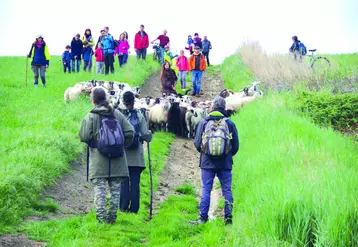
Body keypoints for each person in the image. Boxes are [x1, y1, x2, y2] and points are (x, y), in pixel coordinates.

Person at [79, 87, 135, 224]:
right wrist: (122, 146)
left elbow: (84, 136)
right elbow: (130, 132)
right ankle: (112, 218)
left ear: (93, 100)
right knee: (116, 190)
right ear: (106, 98)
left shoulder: (91, 116)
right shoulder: (117, 114)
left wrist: (96, 143)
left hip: (98, 159)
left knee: (100, 189)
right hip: (118, 158)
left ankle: (101, 219)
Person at [190, 96, 239, 225]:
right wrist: (226, 154)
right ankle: (228, 219)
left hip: (207, 163)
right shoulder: (229, 123)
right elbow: (236, 146)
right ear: (224, 107)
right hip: (225, 163)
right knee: (227, 190)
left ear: (212, 107)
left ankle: (203, 218)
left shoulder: (204, 122)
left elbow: (197, 143)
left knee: (206, 189)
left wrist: (206, 153)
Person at [119, 91, 152, 214]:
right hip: (137, 156)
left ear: (123, 101)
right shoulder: (139, 115)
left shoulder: (120, 115)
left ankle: (123, 207)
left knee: (124, 182)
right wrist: (149, 136)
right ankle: (134, 209)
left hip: (123, 155)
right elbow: (145, 133)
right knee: (135, 183)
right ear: (133, 101)